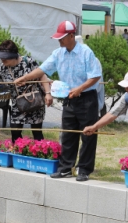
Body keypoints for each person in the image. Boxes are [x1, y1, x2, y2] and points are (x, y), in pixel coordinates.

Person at [15, 20, 101, 182]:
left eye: (62, 38)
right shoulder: (58, 53)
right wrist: (25, 78)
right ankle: (65, 168)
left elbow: (95, 75)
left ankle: (84, 169)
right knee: (68, 133)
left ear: (71, 36)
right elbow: (42, 69)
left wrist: (79, 89)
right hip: (69, 99)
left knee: (88, 134)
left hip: (86, 98)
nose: (59, 41)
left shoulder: (85, 52)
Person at [0, 40, 53, 142]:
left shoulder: (28, 62)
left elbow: (42, 75)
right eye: (1, 57)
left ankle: (39, 153)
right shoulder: (2, 69)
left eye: (6, 57)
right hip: (18, 104)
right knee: (15, 131)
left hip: (35, 100)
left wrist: (48, 93)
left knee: (36, 131)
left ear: (14, 55)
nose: (3, 60)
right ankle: (18, 153)